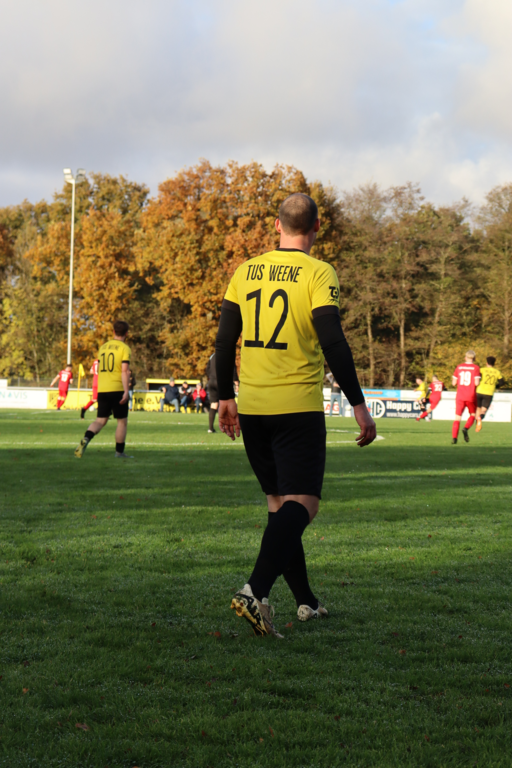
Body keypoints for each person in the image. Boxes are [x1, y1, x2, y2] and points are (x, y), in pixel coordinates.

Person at [215, 192, 376, 638]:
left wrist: (224, 396)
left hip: (252, 406)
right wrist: (358, 404)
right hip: (296, 406)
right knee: (304, 505)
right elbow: (333, 341)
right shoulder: (319, 272)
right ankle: (255, 590)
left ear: (277, 225)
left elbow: (225, 341)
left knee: (279, 507)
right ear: (317, 227)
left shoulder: (245, 270)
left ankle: (306, 600)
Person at [74, 320, 132, 459]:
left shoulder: (103, 347)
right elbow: (124, 371)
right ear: (126, 333)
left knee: (100, 421)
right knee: (122, 422)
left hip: (103, 389)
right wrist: (126, 391)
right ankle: (119, 453)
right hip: (117, 388)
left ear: (113, 332)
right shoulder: (125, 348)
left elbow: (100, 369)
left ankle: (86, 438)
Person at [451, 350, 481, 444]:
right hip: (471, 395)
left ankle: (454, 438)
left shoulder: (459, 367)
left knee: (457, 418)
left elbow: (453, 383)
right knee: (473, 414)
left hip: (460, 395)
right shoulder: (476, 368)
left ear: (465, 357)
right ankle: (466, 428)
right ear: (474, 358)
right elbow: (476, 383)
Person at [206, 352, 239, 433]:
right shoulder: (227, 353)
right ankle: (230, 428)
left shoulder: (212, 356)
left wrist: (211, 377)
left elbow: (207, 368)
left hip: (211, 381)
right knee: (228, 403)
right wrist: (236, 381)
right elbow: (232, 368)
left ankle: (210, 428)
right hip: (221, 381)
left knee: (214, 404)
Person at [476, 356, 504, 432]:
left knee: (478, 409)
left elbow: (477, 378)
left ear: (486, 363)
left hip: (479, 391)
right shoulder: (497, 372)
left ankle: (477, 424)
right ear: (494, 363)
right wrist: (496, 386)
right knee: (483, 411)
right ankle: (480, 419)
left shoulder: (482, 370)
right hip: (489, 393)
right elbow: (502, 382)